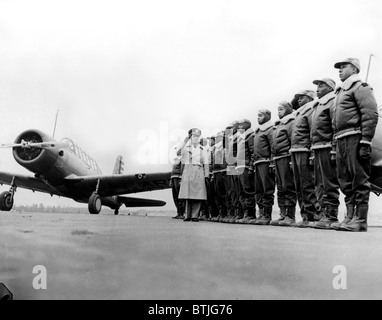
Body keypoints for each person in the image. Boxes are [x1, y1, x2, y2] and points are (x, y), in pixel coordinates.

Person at [331, 58, 378, 232]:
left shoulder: (361, 87)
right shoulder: (340, 93)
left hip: (355, 137)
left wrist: (365, 140)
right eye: (339, 67)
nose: (340, 70)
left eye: (344, 67)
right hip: (341, 138)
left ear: (355, 69)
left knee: (359, 178)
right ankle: (350, 217)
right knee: (345, 181)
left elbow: (370, 114)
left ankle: (361, 220)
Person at [310, 78, 341, 229]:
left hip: (327, 146)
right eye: (316, 85)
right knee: (319, 183)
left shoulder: (332, 102)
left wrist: (334, 148)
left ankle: (331, 215)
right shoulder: (318, 105)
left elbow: (336, 126)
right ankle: (323, 213)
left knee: (329, 182)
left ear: (330, 88)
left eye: (321, 85)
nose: (317, 88)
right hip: (317, 147)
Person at [289, 90, 321, 228]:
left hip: (305, 150)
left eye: (302, 98)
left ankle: (314, 214)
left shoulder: (311, 111)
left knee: (307, 184)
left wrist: (312, 153)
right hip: (295, 150)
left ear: (309, 98)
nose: (299, 101)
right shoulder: (298, 114)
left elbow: (313, 132)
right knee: (299, 185)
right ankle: (305, 215)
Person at [270, 101, 297, 226]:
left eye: (281, 109)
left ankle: (290, 216)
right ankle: (282, 214)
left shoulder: (291, 122)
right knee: (280, 188)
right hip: (278, 158)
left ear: (288, 110)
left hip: (286, 157)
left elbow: (293, 140)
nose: (278, 112)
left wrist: (292, 159)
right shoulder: (278, 126)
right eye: (278, 109)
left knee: (288, 186)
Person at [178, 128, 210, 222]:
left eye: (197, 136)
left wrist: (206, 175)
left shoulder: (203, 149)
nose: (195, 138)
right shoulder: (186, 148)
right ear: (190, 137)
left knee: (198, 194)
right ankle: (187, 215)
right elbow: (178, 152)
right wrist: (185, 141)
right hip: (188, 170)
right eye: (193, 136)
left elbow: (206, 163)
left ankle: (195, 215)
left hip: (199, 171)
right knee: (188, 194)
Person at [250, 109, 275, 225]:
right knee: (258, 190)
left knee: (267, 189)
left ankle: (267, 215)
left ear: (268, 116)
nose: (258, 118)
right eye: (257, 116)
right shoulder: (258, 132)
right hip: (257, 163)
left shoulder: (270, 130)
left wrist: (271, 162)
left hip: (266, 162)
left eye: (260, 116)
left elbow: (273, 147)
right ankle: (261, 213)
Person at [235, 119, 256, 223]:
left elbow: (253, 152)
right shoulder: (241, 137)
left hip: (246, 166)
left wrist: (251, 167)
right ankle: (245, 213)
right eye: (238, 125)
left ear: (247, 125)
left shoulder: (250, 135)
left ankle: (251, 214)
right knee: (242, 192)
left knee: (248, 190)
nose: (239, 127)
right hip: (240, 167)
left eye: (241, 125)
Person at [210, 131, 228, 222]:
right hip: (216, 171)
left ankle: (225, 213)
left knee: (223, 193)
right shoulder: (216, 148)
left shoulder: (224, 146)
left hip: (222, 171)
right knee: (217, 194)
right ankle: (221, 213)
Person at [170, 148, 185, 219]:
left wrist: (181, 179)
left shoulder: (182, 159)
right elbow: (172, 171)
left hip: (178, 178)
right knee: (175, 196)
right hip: (173, 178)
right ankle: (178, 212)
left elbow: (182, 170)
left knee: (179, 196)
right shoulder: (175, 160)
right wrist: (171, 180)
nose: (178, 152)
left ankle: (181, 213)